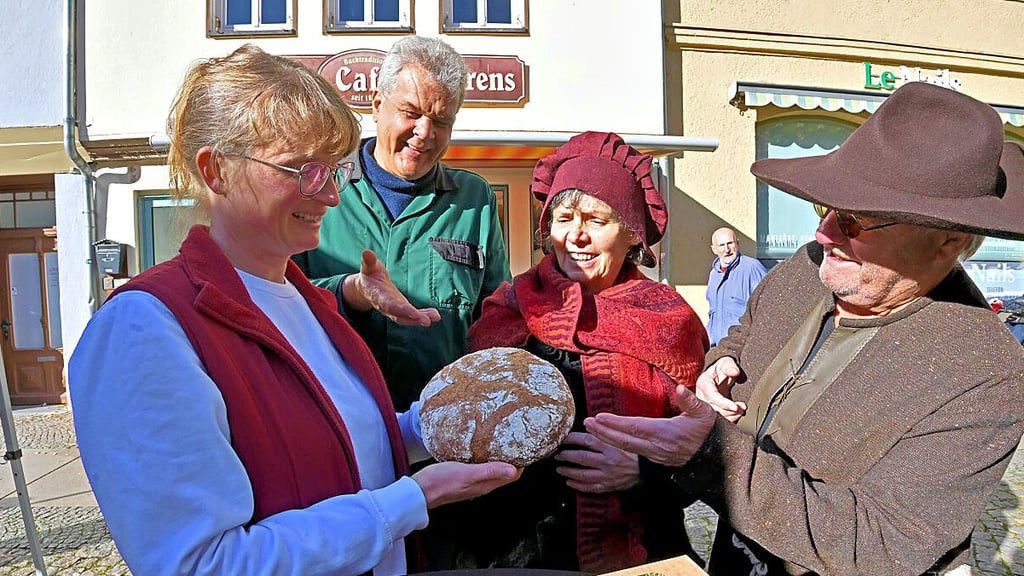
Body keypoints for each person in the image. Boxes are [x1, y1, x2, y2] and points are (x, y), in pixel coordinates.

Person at [68, 44, 518, 576]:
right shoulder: (143, 328)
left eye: (330, 171)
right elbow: (201, 563)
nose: (329, 195)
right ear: (216, 172)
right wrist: (409, 502)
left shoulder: (305, 300)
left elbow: (339, 443)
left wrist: (431, 423)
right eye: (301, 170)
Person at [584, 82, 1024, 575]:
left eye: (856, 221)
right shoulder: (810, 265)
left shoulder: (986, 372)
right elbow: (746, 332)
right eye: (826, 208)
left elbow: (883, 542)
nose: (824, 233)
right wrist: (718, 364)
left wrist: (710, 457)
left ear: (948, 242)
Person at [445, 132, 710, 572]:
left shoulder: (668, 320)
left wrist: (643, 473)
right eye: (564, 218)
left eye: (596, 220)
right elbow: (466, 430)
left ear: (631, 235)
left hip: (636, 546)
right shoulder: (510, 309)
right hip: (514, 549)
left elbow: (707, 450)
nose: (577, 236)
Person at [295, 35, 511, 411]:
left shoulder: (475, 200)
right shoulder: (317, 185)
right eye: (411, 113)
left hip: (443, 433)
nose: (425, 133)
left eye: (441, 120)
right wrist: (351, 293)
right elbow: (277, 300)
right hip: (339, 426)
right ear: (378, 106)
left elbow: (496, 319)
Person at [706, 226, 767, 345]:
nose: (727, 249)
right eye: (721, 245)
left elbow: (766, 308)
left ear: (737, 244)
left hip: (742, 348)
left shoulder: (752, 268)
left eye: (730, 243)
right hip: (716, 349)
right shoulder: (714, 274)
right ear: (714, 249)